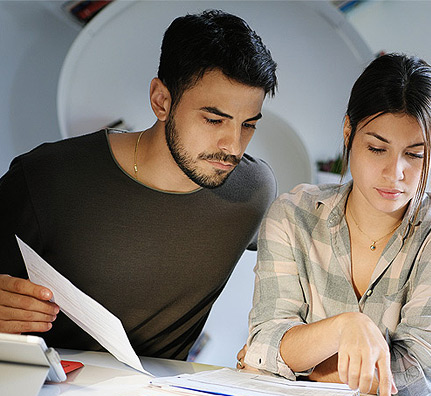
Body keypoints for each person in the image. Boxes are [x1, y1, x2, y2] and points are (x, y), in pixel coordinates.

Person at [0, 9, 277, 360]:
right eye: (213, 120)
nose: (233, 146)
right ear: (161, 100)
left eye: (248, 125)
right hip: (44, 394)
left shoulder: (252, 192)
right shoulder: (47, 176)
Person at [240, 53, 431, 396]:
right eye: (377, 148)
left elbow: (417, 374)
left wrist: (294, 367)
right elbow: (267, 337)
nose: (394, 172)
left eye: (415, 155)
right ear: (348, 133)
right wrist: (343, 327)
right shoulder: (293, 214)